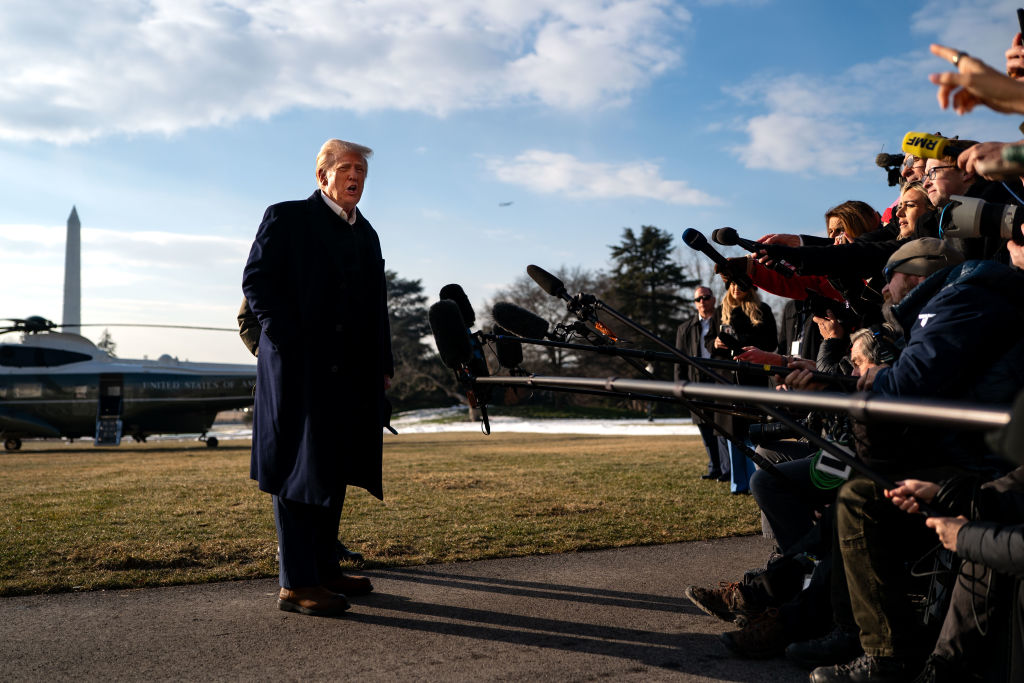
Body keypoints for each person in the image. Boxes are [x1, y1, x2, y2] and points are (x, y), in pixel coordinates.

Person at [241, 138, 394, 617]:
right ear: (322, 175)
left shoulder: (365, 233)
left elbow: (376, 308)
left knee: (335, 468)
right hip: (299, 374)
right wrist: (289, 343)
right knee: (296, 471)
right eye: (347, 168)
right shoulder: (287, 217)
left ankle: (326, 569)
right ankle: (296, 584)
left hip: (349, 375)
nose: (356, 178)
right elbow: (257, 283)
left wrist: (383, 365)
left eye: (362, 172)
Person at [714, 278, 777, 495]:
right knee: (732, 434)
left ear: (750, 287)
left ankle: (757, 479)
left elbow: (771, 343)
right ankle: (737, 483)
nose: (735, 288)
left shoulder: (762, 310)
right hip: (727, 381)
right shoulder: (720, 311)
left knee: (753, 432)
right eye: (731, 284)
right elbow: (708, 343)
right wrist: (714, 343)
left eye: (740, 284)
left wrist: (741, 342)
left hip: (753, 379)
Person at [676, 286, 730, 482]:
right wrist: (680, 387)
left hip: (720, 379)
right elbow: (680, 360)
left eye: (706, 298)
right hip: (696, 382)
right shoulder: (685, 328)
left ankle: (727, 470)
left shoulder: (725, 321)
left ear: (713, 299)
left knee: (722, 426)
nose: (702, 302)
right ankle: (714, 467)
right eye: (698, 299)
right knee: (704, 426)